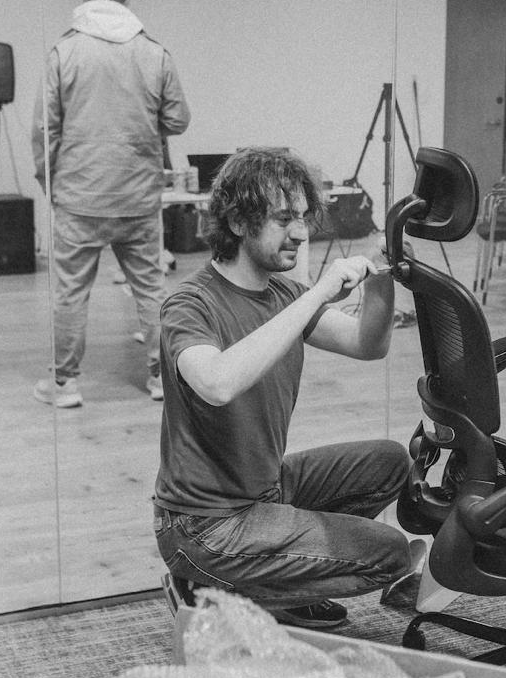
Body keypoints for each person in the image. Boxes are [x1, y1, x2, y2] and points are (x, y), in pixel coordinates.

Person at [152, 147, 413, 629]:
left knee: (389, 461)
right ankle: (216, 590)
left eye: (303, 218)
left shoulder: (284, 296)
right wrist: (316, 291)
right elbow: (216, 383)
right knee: (391, 554)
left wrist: (381, 279)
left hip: (263, 493)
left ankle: (269, 581)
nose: (300, 232)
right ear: (236, 222)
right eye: (283, 219)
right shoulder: (189, 303)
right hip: (204, 526)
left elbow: (366, 344)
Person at [32, 0, 190, 406]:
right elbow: (177, 120)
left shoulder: (64, 51)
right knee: (152, 291)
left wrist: (52, 184)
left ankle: (64, 384)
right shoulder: (154, 52)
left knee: (69, 293)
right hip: (138, 197)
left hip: (79, 197)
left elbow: (44, 133)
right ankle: (162, 380)